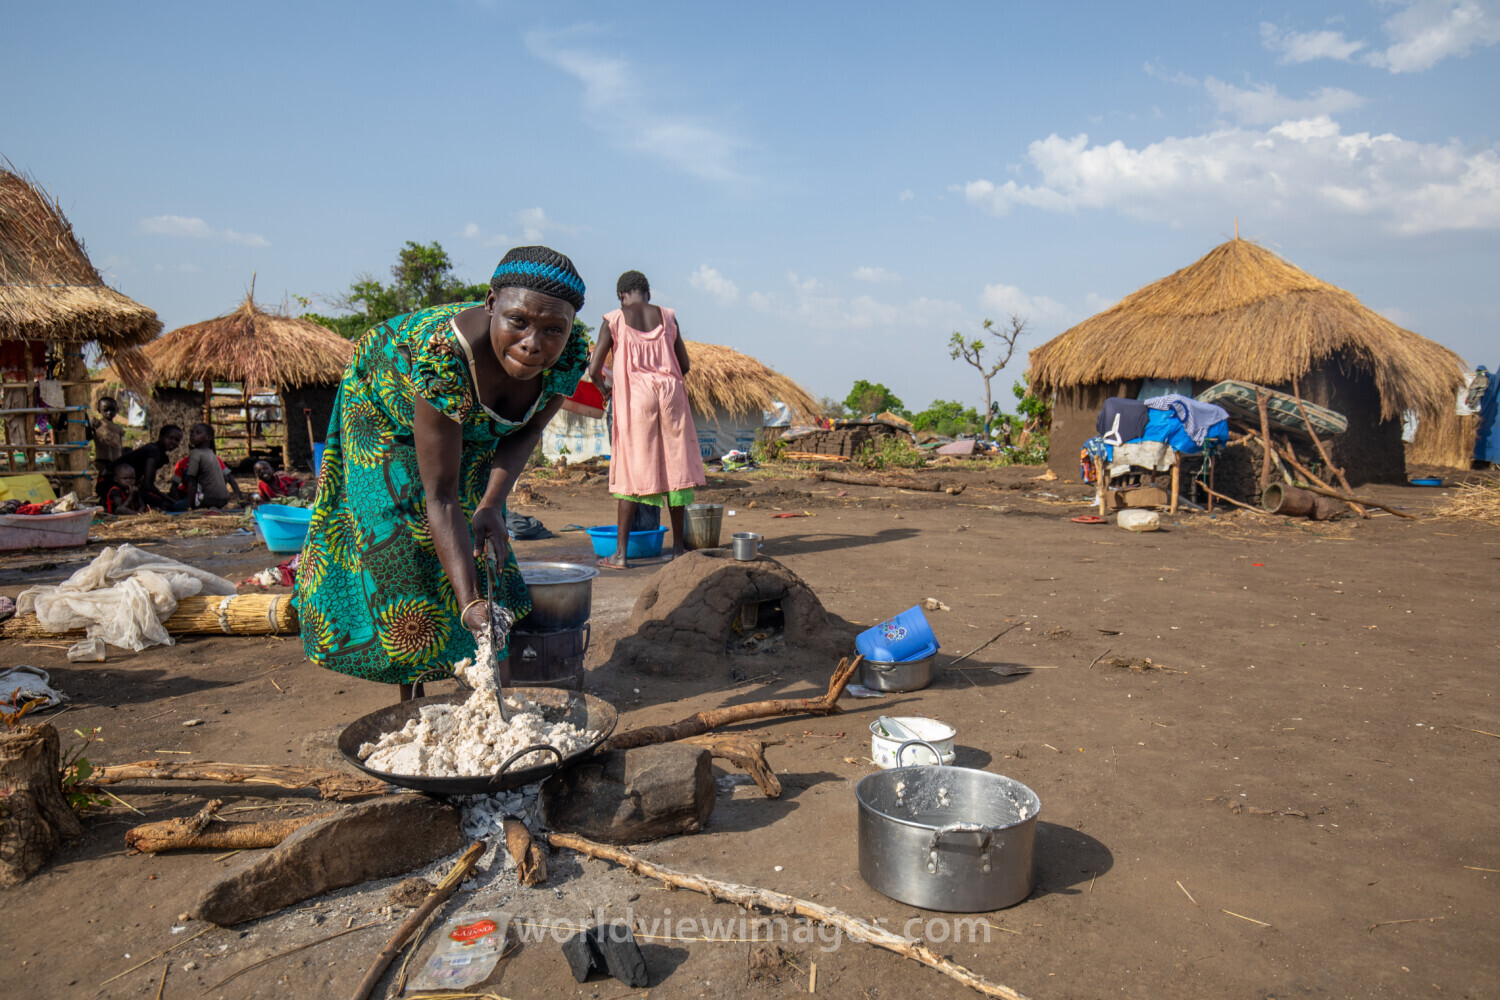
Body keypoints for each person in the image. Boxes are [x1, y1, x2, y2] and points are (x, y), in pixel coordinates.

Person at [293, 246, 588, 700]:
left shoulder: (566, 357)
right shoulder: (443, 357)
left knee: (485, 540)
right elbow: (442, 496)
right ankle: (412, 700)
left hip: (465, 420)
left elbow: (525, 432)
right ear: (491, 304)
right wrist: (467, 601)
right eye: (518, 322)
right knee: (404, 541)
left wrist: (491, 504)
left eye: (553, 329)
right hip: (384, 410)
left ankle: (491, 690)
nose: (534, 343)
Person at [587, 269, 706, 569]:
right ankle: (678, 548)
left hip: (637, 399)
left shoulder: (613, 319)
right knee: (675, 468)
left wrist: (605, 388)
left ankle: (621, 555)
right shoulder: (668, 316)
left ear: (621, 296)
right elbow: (685, 364)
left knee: (632, 469)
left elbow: (593, 369)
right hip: (671, 395)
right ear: (648, 293)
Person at [117, 424, 184, 511]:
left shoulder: (158, 453)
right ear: (161, 437)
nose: (173, 442)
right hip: (118, 486)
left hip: (132, 486)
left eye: (177, 440)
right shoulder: (154, 452)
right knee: (164, 504)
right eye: (170, 438)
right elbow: (148, 485)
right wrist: (173, 501)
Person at [182, 423, 244, 509]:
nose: (193, 435)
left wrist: (189, 507)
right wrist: (240, 499)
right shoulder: (212, 454)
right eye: (192, 432)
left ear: (209, 437)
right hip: (224, 499)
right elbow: (230, 478)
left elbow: (192, 483)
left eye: (197, 433)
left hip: (207, 499)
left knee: (176, 506)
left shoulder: (195, 453)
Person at [91, 396, 123, 475]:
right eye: (106, 410)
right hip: (102, 461)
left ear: (117, 410)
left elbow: (120, 444)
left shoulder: (118, 428)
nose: (109, 412)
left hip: (117, 461)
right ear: (99, 410)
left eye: (112, 410)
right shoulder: (97, 424)